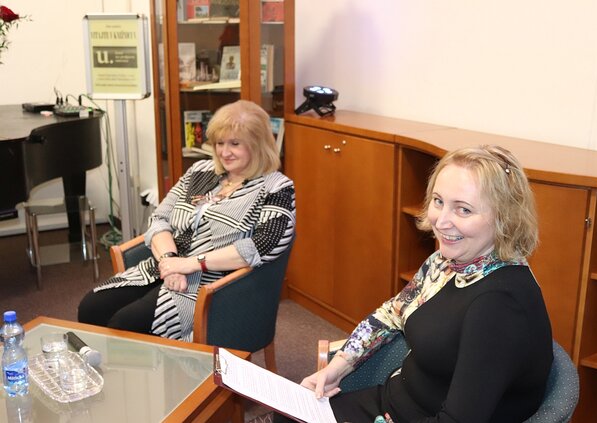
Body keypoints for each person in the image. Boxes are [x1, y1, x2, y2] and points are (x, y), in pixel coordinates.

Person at [285, 145, 553, 423]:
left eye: (463, 209)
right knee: (288, 414)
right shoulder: (446, 262)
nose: (441, 221)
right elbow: (392, 314)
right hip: (394, 403)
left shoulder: (500, 306)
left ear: (505, 218)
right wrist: (338, 367)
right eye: (438, 201)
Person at [78, 100, 295, 341]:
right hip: (164, 267)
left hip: (213, 286)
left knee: (126, 324)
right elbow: (160, 219)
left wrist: (191, 264)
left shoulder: (275, 187)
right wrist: (170, 262)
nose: (224, 152)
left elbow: (263, 245)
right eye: (220, 143)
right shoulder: (200, 171)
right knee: (91, 308)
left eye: (235, 144)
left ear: (258, 144)